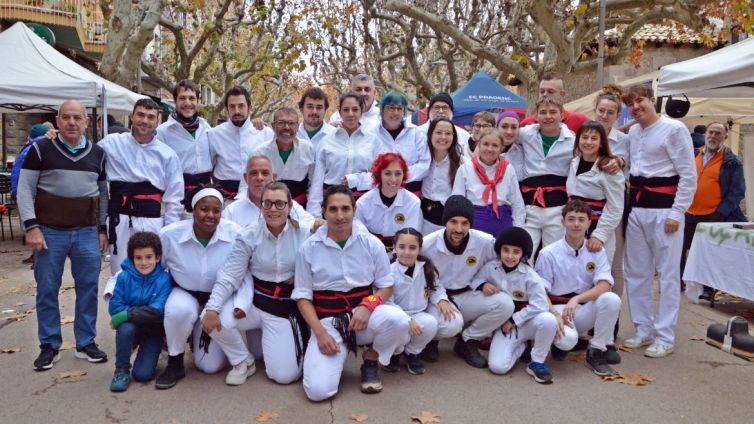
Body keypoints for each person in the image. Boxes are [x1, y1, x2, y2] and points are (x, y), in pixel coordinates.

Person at [292, 185, 410, 401]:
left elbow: (386, 286)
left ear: (354, 211)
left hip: (364, 317)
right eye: (333, 209)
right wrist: (320, 333)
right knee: (318, 392)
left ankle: (371, 358)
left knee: (399, 321)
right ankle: (336, 352)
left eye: (346, 209)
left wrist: (368, 305)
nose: (340, 216)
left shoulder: (371, 243)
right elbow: (302, 297)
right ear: (323, 212)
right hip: (329, 322)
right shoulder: (308, 248)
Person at [17, 100, 109, 370]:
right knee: (47, 289)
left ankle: (85, 342)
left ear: (86, 122)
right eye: (66, 117)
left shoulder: (98, 154)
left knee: (88, 288)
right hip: (49, 232)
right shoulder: (40, 149)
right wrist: (31, 227)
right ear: (57, 121)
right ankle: (49, 344)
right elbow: (25, 189)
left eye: (77, 117)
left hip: (86, 232)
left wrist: (102, 228)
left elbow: (102, 193)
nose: (71, 122)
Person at [201, 182, 312, 386]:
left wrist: (301, 275)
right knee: (213, 316)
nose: (273, 209)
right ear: (261, 206)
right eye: (267, 203)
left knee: (284, 376)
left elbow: (322, 263)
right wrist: (212, 307)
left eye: (279, 204)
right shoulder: (249, 234)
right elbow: (230, 275)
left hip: (284, 309)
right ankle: (243, 360)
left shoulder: (305, 232)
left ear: (290, 207)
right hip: (254, 303)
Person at [620, 83, 697, 358]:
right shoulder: (635, 133)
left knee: (667, 274)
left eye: (640, 101)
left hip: (665, 211)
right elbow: (631, 167)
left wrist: (677, 212)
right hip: (638, 209)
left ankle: (665, 335)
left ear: (654, 100)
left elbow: (688, 175)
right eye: (631, 104)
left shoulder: (674, 130)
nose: (636, 107)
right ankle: (643, 329)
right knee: (637, 272)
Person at [156, 188, 246, 389]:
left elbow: (244, 272)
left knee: (209, 366)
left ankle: (199, 333)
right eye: (204, 209)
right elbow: (152, 269)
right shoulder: (169, 235)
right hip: (185, 292)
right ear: (193, 209)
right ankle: (175, 360)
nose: (210, 215)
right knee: (179, 310)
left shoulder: (235, 234)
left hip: (218, 300)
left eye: (217, 210)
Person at [421, 195, 514, 368]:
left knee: (506, 304)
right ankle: (432, 340)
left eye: (465, 223)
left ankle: (468, 341)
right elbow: (423, 278)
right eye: (453, 222)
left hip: (468, 294)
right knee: (451, 325)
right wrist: (439, 298)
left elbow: (502, 263)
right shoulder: (427, 244)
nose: (458, 229)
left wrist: (484, 283)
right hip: (437, 298)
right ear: (445, 222)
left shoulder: (485, 242)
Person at [536, 200, 622, 376]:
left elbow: (605, 284)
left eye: (581, 219)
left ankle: (596, 351)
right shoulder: (548, 253)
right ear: (563, 221)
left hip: (581, 308)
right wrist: (555, 314)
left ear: (589, 223)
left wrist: (577, 300)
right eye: (571, 219)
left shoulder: (596, 251)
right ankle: (559, 341)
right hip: (558, 309)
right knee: (568, 340)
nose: (576, 224)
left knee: (612, 299)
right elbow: (540, 292)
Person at [98, 98, 184, 275]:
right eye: (141, 115)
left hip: (151, 222)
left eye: (151, 117)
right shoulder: (111, 143)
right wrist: (54, 136)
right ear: (131, 116)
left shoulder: (167, 155)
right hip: (118, 220)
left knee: (150, 274)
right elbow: (86, 156)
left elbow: (174, 199)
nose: (145, 121)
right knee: (120, 274)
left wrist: (168, 234)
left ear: (157, 121)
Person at [474, 227, 558, 384]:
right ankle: (520, 347)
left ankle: (537, 361)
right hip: (505, 327)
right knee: (497, 367)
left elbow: (540, 304)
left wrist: (514, 320)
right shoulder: (490, 267)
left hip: (526, 322)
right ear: (499, 250)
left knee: (548, 319)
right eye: (506, 250)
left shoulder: (530, 276)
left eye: (516, 252)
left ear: (523, 254)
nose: (510, 256)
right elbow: (475, 281)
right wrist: (483, 285)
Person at [384, 228, 461, 375]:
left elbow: (436, 287)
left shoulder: (426, 268)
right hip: (396, 315)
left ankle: (411, 352)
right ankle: (395, 353)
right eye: (402, 247)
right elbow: (386, 302)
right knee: (399, 329)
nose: (407, 252)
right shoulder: (388, 271)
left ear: (420, 249)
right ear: (394, 247)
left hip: (418, 312)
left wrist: (441, 299)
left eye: (412, 248)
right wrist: (406, 319)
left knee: (431, 323)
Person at [681, 122, 746, 296]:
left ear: (725, 137)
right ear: (705, 134)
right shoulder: (693, 154)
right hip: (688, 212)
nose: (713, 136)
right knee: (679, 249)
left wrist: (721, 212)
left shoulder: (732, 162)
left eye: (718, 133)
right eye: (711, 132)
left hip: (713, 215)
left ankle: (708, 290)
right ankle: (678, 283)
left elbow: (738, 191)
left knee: (709, 255)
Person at [506, 95, 575, 257]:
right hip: (529, 206)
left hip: (557, 208)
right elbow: (502, 135)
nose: (548, 116)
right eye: (543, 112)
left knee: (553, 255)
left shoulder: (573, 141)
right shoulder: (524, 134)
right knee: (524, 253)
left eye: (553, 112)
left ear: (562, 115)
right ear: (536, 116)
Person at [108, 232, 172, 392]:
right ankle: (121, 370)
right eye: (138, 258)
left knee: (143, 375)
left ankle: (148, 350)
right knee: (126, 328)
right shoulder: (123, 277)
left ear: (157, 258)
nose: (144, 262)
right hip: (131, 327)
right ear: (131, 258)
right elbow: (115, 307)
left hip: (153, 330)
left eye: (149, 257)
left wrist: (126, 315)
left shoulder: (164, 279)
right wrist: (126, 316)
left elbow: (158, 310)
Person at [308, 93, 382, 217]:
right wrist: (314, 215)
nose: (350, 114)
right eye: (346, 110)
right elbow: (317, 181)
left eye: (355, 109)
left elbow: (379, 177)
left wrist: (355, 180)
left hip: (363, 204)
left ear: (361, 111)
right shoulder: (327, 141)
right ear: (340, 112)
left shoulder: (374, 141)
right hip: (332, 204)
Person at [592, 84, 630, 303]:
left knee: (614, 262)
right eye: (601, 110)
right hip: (585, 206)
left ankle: (612, 313)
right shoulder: (584, 135)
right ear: (595, 109)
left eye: (610, 112)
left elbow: (628, 166)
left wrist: (620, 162)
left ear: (617, 115)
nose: (604, 115)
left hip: (612, 206)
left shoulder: (624, 141)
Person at [566, 121, 625, 264]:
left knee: (597, 274)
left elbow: (615, 207)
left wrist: (599, 235)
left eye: (594, 138)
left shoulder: (609, 168)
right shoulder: (574, 162)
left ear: (601, 143)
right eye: (584, 137)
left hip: (596, 229)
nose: (588, 142)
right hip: (573, 228)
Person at [452, 128, 525, 237]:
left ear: (501, 148)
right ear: (479, 145)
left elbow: (517, 203)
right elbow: (456, 202)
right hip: (474, 225)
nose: (490, 149)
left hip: (502, 224)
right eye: (486, 144)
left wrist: (516, 231)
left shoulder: (508, 168)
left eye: (495, 145)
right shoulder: (466, 168)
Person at [209, 86, 274, 200]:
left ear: (249, 107)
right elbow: (209, 167)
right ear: (226, 109)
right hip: (224, 200)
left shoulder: (265, 133)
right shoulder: (214, 134)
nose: (237, 111)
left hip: (258, 198)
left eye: (241, 106)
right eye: (232, 107)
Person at [156, 80, 213, 209]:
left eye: (192, 98)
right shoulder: (162, 132)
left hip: (205, 195)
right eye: (182, 98)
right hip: (176, 198)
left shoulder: (207, 128)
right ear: (175, 101)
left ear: (198, 101)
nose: (187, 103)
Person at [246, 108, 314, 208]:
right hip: (267, 208)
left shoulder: (308, 149)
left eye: (291, 123)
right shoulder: (259, 152)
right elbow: (246, 185)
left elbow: (313, 184)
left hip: (300, 207)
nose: (286, 127)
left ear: (298, 126)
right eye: (281, 123)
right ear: (273, 126)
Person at [224, 155, 315, 228]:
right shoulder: (231, 211)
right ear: (245, 178)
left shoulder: (289, 205)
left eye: (265, 173)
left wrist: (318, 224)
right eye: (254, 173)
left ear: (273, 178)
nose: (259, 178)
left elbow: (311, 225)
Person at [355, 153, 422, 251]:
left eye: (398, 173)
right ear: (379, 175)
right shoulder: (363, 203)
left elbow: (409, 238)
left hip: (400, 253)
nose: (393, 179)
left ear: (404, 175)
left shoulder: (413, 202)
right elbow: (360, 237)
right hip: (370, 251)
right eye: (387, 173)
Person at [374, 90, 431, 196]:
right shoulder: (372, 134)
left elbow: (425, 164)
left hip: (411, 191)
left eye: (399, 108)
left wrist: (400, 176)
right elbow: (369, 164)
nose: (395, 112)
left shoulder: (415, 133)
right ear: (382, 110)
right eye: (391, 108)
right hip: (380, 192)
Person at [421, 117, 464, 235]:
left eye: (448, 133)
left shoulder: (461, 163)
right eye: (439, 132)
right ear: (430, 134)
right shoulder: (421, 158)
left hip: (446, 222)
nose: (443, 137)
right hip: (421, 218)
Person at [519, 73, 591, 133]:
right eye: (542, 91)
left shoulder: (578, 120)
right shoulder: (527, 124)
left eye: (550, 91)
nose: (545, 94)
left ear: (562, 94)